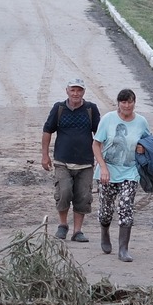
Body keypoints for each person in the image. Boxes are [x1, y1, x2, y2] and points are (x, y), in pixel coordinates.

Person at [40, 77, 102, 242]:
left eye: (79, 90)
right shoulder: (59, 108)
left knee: (83, 196)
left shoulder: (91, 109)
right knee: (64, 192)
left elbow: (99, 134)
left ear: (83, 92)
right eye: (73, 90)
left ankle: (77, 231)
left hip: (86, 162)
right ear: (67, 91)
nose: (76, 93)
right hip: (62, 161)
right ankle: (62, 225)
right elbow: (47, 131)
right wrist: (45, 155)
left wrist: (101, 159)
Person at [94, 87, 151, 261]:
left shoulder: (141, 122)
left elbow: (150, 142)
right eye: (123, 102)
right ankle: (105, 232)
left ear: (135, 102)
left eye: (130, 102)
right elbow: (96, 144)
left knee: (126, 207)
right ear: (118, 103)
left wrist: (143, 148)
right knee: (106, 209)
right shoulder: (108, 120)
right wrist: (103, 167)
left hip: (130, 172)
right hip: (108, 172)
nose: (127, 105)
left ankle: (123, 249)